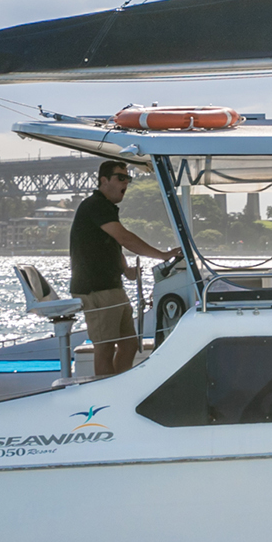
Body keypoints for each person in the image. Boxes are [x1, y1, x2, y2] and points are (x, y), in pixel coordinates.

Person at [71, 158, 177, 378]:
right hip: (96, 289)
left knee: (129, 345)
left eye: (127, 178)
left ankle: (118, 387)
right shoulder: (96, 205)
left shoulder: (106, 208)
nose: (125, 183)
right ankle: (104, 397)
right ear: (104, 180)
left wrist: (125, 269)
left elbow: (113, 245)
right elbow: (125, 238)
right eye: (120, 177)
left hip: (112, 287)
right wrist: (163, 255)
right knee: (105, 347)